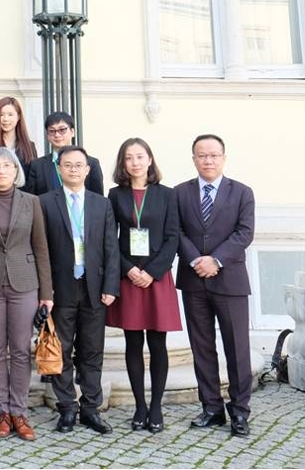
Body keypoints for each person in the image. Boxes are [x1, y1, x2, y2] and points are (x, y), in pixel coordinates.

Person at [0, 147, 53, 442]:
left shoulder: (32, 202)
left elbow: (41, 247)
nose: (1, 170)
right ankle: (2, 411)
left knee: (19, 349)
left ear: (16, 171)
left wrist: (46, 291)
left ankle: (20, 411)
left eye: (7, 165)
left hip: (25, 283)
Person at [175, 134, 255, 438]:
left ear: (223, 157)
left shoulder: (242, 192)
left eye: (213, 155)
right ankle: (211, 407)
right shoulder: (180, 193)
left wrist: (215, 260)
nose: (208, 160)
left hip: (230, 280)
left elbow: (244, 233)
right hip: (194, 280)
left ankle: (239, 411)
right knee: (202, 347)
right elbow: (177, 231)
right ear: (194, 159)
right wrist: (197, 259)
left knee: (237, 348)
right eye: (201, 155)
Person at [38, 146, 119, 435]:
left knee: (92, 350)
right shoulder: (45, 202)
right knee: (61, 348)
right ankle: (67, 408)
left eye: (79, 165)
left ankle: (90, 408)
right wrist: (44, 290)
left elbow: (111, 246)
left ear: (87, 170)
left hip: (94, 287)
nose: (73, 169)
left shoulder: (101, 204)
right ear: (59, 169)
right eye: (67, 165)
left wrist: (111, 285)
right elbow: (41, 250)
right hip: (61, 287)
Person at [106, 137, 181, 434]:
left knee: (158, 344)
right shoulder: (115, 195)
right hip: (129, 278)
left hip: (157, 278)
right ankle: (139, 406)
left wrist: (151, 271)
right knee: (133, 343)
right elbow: (110, 238)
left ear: (150, 159)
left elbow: (173, 237)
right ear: (123, 163)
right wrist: (129, 270)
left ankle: (156, 406)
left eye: (140, 156)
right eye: (129, 158)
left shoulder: (167, 194)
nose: (135, 162)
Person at [25, 111, 106, 197]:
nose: (57, 134)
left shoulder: (92, 163)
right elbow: (31, 199)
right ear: (47, 135)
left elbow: (98, 199)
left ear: (72, 132)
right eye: (52, 131)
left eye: (62, 130)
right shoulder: (37, 166)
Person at [0, 96, 38, 166]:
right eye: (1, 115)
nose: (6, 119)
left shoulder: (29, 146)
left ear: (18, 117)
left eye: (10, 115)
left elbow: (33, 174)